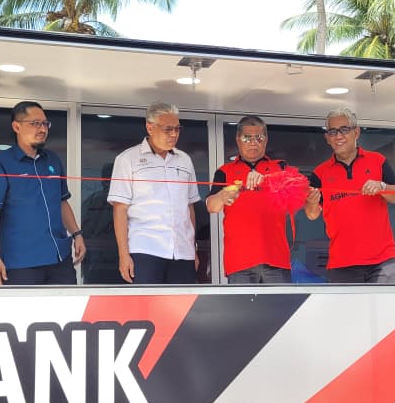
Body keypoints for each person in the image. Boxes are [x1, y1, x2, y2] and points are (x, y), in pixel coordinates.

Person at [0, 101, 85, 285]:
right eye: (35, 123)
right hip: (20, 262)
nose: (42, 129)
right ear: (16, 126)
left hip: (59, 258)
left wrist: (77, 234)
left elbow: (62, 202)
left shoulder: (53, 160)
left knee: (66, 304)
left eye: (45, 124)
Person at [304, 107, 395, 283]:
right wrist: (311, 202)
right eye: (332, 132)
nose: (338, 136)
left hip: (382, 262)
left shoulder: (377, 160)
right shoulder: (320, 173)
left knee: (386, 302)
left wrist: (381, 186)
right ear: (327, 138)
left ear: (356, 132)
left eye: (344, 130)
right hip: (341, 264)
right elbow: (312, 215)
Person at [108, 102, 199, 284]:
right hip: (145, 248)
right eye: (168, 129)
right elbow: (120, 209)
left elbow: (189, 207)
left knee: (182, 302)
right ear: (150, 127)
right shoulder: (127, 159)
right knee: (147, 302)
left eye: (177, 129)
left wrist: (193, 249)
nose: (174, 134)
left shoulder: (185, 160)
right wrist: (123, 254)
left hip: (183, 251)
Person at [206, 116, 292, 284]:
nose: (253, 142)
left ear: (265, 140)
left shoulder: (280, 166)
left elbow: (297, 192)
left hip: (276, 259)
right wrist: (222, 196)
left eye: (258, 137)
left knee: (280, 303)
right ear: (238, 140)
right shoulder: (224, 171)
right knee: (242, 304)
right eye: (247, 138)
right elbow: (211, 207)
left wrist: (267, 180)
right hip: (239, 261)